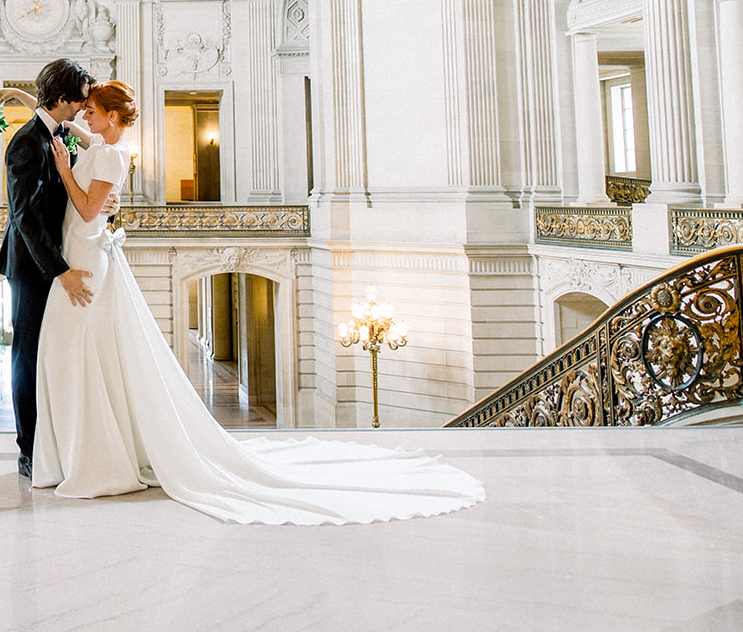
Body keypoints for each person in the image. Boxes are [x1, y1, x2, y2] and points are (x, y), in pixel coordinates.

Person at [32, 80, 485, 525]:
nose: (82, 117)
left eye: (89, 110)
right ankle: (97, 446)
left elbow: (91, 209)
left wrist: (66, 170)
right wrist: (36, 110)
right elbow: (84, 140)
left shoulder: (111, 153)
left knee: (80, 352)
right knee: (85, 354)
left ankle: (98, 455)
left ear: (111, 115)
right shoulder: (102, 143)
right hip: (83, 250)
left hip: (87, 255)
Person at [0, 59, 118, 480]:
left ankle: (59, 437)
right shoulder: (25, 143)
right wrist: (60, 271)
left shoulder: (63, 133)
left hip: (64, 258)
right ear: (63, 99)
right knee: (27, 356)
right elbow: (24, 217)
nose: (86, 106)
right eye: (82, 99)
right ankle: (28, 449)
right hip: (33, 266)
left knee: (58, 353)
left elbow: (82, 195)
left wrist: (106, 209)